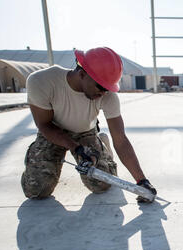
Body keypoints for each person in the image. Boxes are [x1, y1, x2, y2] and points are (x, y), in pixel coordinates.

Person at [21, 47, 156, 203]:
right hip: (53, 132)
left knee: (101, 185)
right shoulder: (42, 81)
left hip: (85, 132)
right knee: (36, 190)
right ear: (82, 73)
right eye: (101, 86)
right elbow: (44, 125)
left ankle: (105, 154)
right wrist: (75, 147)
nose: (104, 93)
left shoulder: (108, 96)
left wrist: (142, 181)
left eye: (108, 88)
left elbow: (120, 139)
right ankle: (37, 163)